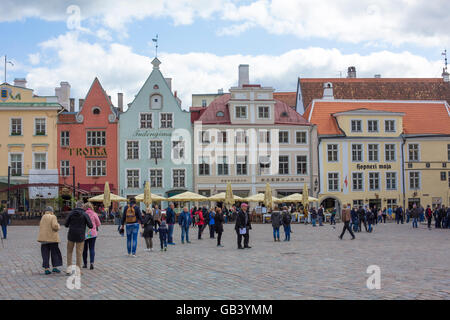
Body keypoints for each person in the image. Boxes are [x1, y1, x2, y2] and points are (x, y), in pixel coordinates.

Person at [65, 201, 93, 275]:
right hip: (80, 235)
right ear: (82, 206)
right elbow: (91, 225)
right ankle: (78, 270)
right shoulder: (85, 214)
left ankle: (69, 269)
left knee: (69, 252)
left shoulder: (71, 213)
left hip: (71, 235)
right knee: (79, 253)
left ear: (76, 205)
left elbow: (66, 224)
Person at [37, 206, 63, 275]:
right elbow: (55, 226)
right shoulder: (53, 216)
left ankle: (46, 269)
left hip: (43, 239)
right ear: (51, 211)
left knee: (45, 254)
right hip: (52, 238)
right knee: (54, 253)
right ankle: (54, 267)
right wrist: (58, 225)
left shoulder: (43, 217)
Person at [82, 202, 101, 270]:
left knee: (84, 249)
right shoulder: (94, 214)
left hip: (85, 233)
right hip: (93, 233)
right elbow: (98, 223)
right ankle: (92, 263)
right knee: (92, 248)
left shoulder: (83, 214)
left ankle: (85, 264)